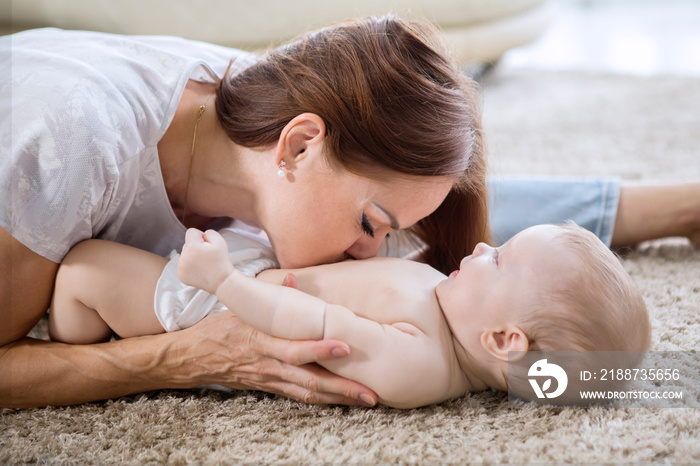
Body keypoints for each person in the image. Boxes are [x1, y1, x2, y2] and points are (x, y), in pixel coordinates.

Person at [1, 17, 697, 409]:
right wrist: (171, 359)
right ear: (299, 145)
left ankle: (655, 204)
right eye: (370, 224)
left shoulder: (274, 119)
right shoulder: (65, 150)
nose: (375, 251)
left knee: (464, 251)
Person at [48, 223, 651, 408]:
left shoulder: (417, 362)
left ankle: (74, 343)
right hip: (253, 269)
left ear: (502, 339)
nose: (482, 248)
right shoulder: (447, 310)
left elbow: (300, 322)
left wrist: (223, 280)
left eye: (498, 261)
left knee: (81, 271)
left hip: (210, 306)